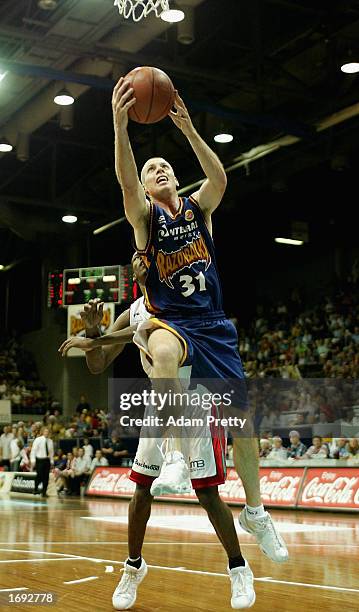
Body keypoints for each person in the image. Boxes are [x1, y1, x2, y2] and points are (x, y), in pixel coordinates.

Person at [112, 75, 287, 569]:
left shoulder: (197, 210)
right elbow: (125, 180)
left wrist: (188, 130)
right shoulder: (144, 218)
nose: (160, 169)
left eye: (165, 164)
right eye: (152, 168)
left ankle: (256, 512)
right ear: (146, 187)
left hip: (214, 324)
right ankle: (170, 453)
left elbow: (221, 180)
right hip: (173, 322)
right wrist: (120, 126)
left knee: (244, 424)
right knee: (164, 354)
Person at [30, 426, 54, 497]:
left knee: (46, 477)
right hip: (39, 460)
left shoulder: (50, 441)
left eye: (48, 432)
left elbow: (51, 452)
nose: (47, 433)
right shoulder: (38, 440)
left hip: (47, 460)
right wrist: (33, 460)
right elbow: (33, 451)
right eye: (45, 431)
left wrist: (52, 461)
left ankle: (44, 492)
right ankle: (36, 488)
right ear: (43, 432)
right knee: (39, 475)